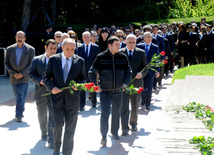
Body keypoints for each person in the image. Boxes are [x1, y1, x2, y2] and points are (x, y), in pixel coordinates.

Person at [43, 38, 85, 155]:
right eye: (67, 49)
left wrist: (79, 86)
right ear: (62, 48)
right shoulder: (53, 59)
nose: (70, 52)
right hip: (57, 100)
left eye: (72, 50)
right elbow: (46, 77)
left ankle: (67, 152)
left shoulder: (80, 61)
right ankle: (56, 149)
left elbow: (84, 78)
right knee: (57, 126)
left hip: (73, 100)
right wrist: (51, 88)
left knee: (70, 129)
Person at [89, 36, 132, 146]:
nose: (119, 46)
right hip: (105, 91)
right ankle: (103, 136)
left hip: (118, 90)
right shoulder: (101, 57)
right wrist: (95, 85)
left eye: (119, 44)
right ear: (110, 45)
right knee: (105, 112)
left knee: (116, 112)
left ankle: (114, 132)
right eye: (116, 44)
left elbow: (129, 71)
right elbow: (91, 72)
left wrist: (126, 83)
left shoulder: (123, 57)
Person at [28, 39, 57, 148]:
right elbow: (30, 74)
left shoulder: (59, 60)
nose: (53, 51)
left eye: (55, 49)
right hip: (41, 92)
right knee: (42, 114)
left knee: (53, 115)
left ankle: (51, 138)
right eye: (51, 48)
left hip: (54, 93)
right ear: (46, 48)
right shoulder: (37, 60)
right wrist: (39, 81)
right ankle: (44, 133)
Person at [120, 34, 148, 134]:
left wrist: (142, 73)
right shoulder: (120, 53)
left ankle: (133, 123)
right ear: (125, 42)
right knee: (124, 106)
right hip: (124, 84)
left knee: (135, 104)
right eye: (129, 43)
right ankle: (124, 126)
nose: (131, 45)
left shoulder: (141, 53)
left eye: (133, 43)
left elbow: (145, 67)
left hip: (136, 83)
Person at [5, 31, 35, 122]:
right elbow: (7, 63)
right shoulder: (10, 49)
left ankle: (19, 115)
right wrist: (14, 73)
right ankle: (20, 110)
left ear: (25, 39)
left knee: (21, 96)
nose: (20, 39)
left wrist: (22, 73)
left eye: (22, 37)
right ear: (15, 38)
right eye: (18, 37)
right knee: (17, 96)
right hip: (13, 77)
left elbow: (31, 64)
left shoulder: (30, 49)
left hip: (24, 77)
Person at [77, 31, 100, 110]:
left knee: (93, 88)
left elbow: (98, 60)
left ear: (90, 38)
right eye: (85, 37)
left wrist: (98, 71)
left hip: (93, 71)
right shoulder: (79, 48)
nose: (86, 39)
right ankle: (82, 105)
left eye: (88, 37)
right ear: (82, 38)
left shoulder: (96, 47)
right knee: (82, 88)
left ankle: (94, 103)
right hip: (82, 71)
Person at [139, 32, 160, 110]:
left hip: (151, 71)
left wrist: (157, 71)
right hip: (141, 71)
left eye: (150, 37)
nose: (149, 38)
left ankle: (148, 103)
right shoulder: (139, 46)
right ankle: (143, 98)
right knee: (142, 87)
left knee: (149, 87)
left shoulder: (155, 47)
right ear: (144, 38)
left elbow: (157, 60)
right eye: (147, 37)